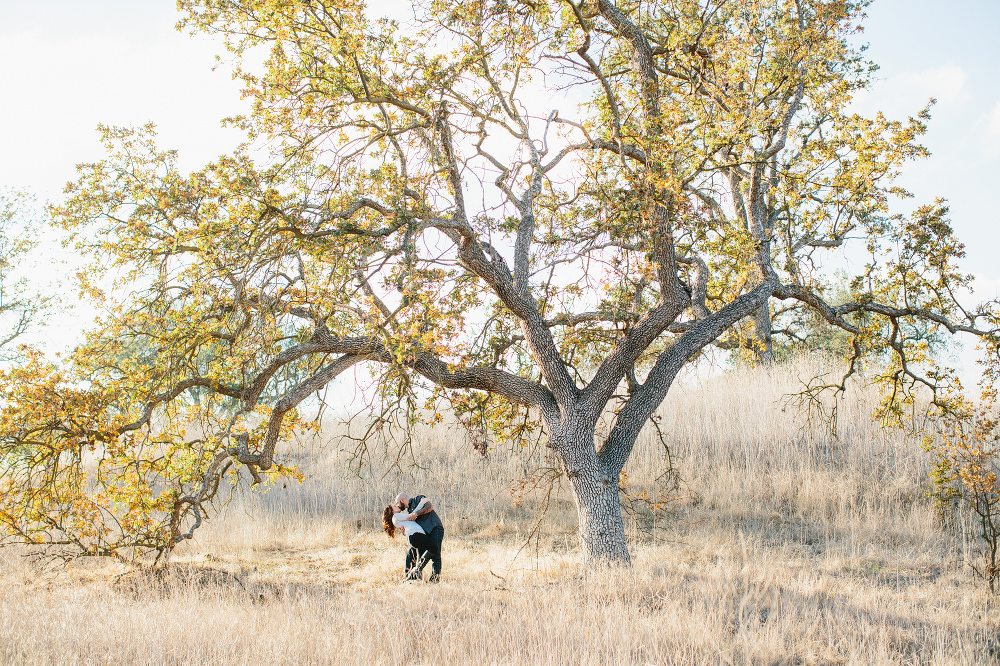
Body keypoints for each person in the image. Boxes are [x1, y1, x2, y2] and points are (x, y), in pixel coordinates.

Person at [380, 492, 444, 582]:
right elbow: (412, 516)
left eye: (397, 503)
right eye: (395, 505)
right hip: (421, 534)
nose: (397, 505)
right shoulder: (405, 513)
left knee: (435, 553)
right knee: (413, 552)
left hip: (434, 528)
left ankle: (434, 579)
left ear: (402, 500)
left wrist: (420, 506)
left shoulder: (418, 499)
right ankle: (412, 575)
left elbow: (430, 507)